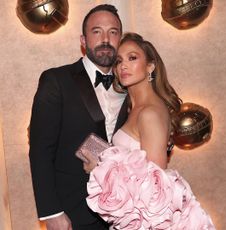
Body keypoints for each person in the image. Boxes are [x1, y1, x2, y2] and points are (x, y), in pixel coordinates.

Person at [84, 33, 216, 229]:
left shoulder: (149, 113)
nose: (123, 66)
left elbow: (155, 188)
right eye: (118, 61)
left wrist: (100, 170)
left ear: (150, 66)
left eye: (132, 57)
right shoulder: (134, 108)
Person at [29, 4, 127, 230]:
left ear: (120, 39)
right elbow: (40, 150)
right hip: (72, 214)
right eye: (97, 31)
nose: (105, 39)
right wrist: (51, 212)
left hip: (122, 214)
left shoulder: (130, 84)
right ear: (83, 41)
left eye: (113, 32)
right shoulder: (56, 80)